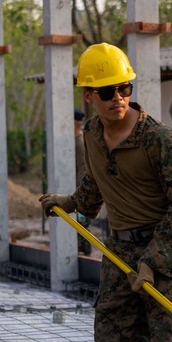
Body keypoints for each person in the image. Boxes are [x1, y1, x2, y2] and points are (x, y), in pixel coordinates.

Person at [41, 43, 172, 342]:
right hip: (119, 251)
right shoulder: (92, 132)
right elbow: (98, 181)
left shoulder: (159, 141)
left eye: (125, 88)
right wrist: (73, 202)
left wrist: (154, 261)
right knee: (115, 340)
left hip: (164, 250)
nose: (119, 98)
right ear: (89, 95)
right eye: (108, 91)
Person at [74, 108, 92, 256]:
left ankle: (85, 255)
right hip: (73, 193)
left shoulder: (80, 143)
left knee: (82, 229)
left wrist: (80, 194)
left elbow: (83, 169)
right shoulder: (74, 141)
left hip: (79, 193)